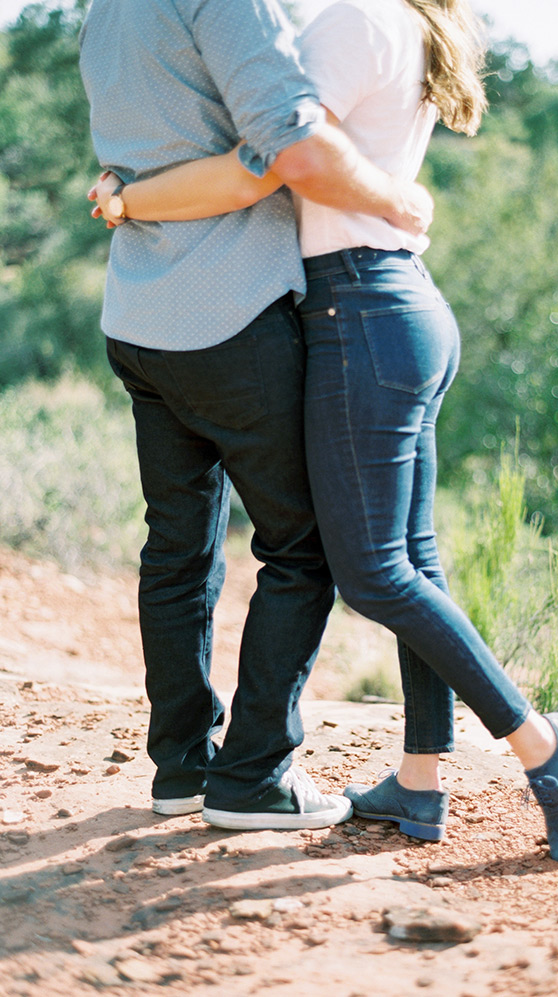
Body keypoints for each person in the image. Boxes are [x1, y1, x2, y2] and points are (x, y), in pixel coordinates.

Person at [89, 0, 558, 864]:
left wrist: (126, 197)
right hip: (352, 303)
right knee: (390, 560)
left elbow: (284, 157)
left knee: (361, 568)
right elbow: (284, 151)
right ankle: (412, 780)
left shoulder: (343, 20)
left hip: (340, 307)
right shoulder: (357, 19)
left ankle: (540, 747)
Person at [78, 0, 435, 832]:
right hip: (231, 316)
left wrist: (126, 203)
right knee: (303, 547)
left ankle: (182, 768)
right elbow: (290, 152)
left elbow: (155, 153)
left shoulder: (105, 10)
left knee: (176, 549)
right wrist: (396, 198)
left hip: (136, 316)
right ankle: (253, 776)